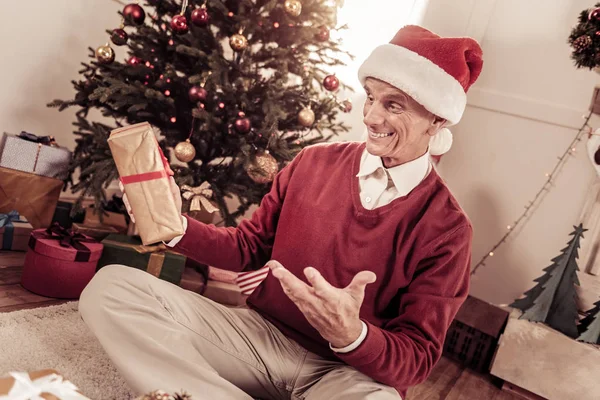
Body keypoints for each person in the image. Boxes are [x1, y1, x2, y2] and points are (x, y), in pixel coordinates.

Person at [79, 25, 483, 400]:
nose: (371, 116)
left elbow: (415, 359)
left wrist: (352, 333)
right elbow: (246, 248)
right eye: (372, 97)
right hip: (257, 338)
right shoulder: (313, 163)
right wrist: (173, 224)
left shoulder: (448, 228)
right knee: (111, 288)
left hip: (346, 374)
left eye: (393, 105)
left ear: (437, 119)